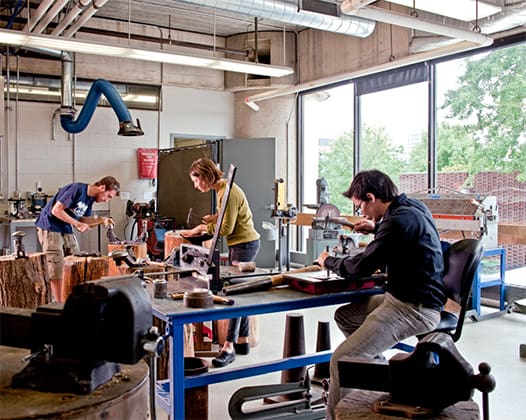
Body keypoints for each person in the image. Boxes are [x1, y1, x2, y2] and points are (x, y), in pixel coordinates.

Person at [316, 169, 447, 419]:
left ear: (371, 197)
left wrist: (328, 261)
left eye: (360, 207)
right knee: (346, 316)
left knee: (341, 360)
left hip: (413, 308)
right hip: (404, 297)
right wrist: (376, 227)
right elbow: (400, 235)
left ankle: (337, 414)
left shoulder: (396, 222)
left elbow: (359, 268)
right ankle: (372, 372)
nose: (360, 213)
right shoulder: (411, 208)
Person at [183, 158, 260, 368]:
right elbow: (226, 217)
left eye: (196, 181)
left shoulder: (228, 192)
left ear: (205, 176)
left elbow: (226, 229)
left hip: (245, 244)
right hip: (242, 244)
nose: (196, 186)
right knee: (240, 292)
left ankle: (228, 347)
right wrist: (213, 218)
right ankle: (242, 341)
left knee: (234, 294)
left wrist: (200, 229)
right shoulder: (222, 190)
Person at [36, 176, 120, 302]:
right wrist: (77, 224)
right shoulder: (76, 189)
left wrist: (101, 220)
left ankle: (72, 301)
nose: (106, 201)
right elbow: (56, 210)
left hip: (66, 228)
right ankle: (60, 303)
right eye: (108, 196)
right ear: (102, 187)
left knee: (77, 261)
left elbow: (83, 220)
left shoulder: (90, 199)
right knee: (57, 267)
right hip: (50, 226)